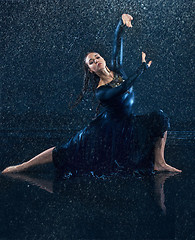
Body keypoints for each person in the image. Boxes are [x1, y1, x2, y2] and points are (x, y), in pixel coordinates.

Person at [2, 14, 182, 176]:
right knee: (66, 150)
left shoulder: (116, 69)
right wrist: (141, 69)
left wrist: (121, 23)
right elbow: (124, 87)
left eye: (97, 57)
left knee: (159, 118)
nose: (96, 60)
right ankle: (23, 166)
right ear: (91, 70)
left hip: (128, 123)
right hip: (105, 130)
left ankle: (159, 162)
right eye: (92, 62)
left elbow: (117, 43)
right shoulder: (101, 91)